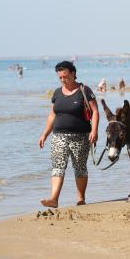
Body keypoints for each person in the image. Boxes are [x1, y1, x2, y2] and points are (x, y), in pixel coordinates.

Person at [38, 61, 99, 207]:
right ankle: (54, 199)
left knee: (79, 167)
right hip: (58, 136)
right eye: (60, 77)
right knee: (58, 166)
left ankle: (80, 198)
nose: (63, 79)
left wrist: (94, 131)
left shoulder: (85, 90)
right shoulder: (57, 93)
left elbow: (95, 111)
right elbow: (52, 115)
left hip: (80, 136)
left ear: (73, 73)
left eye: (65, 76)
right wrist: (44, 134)